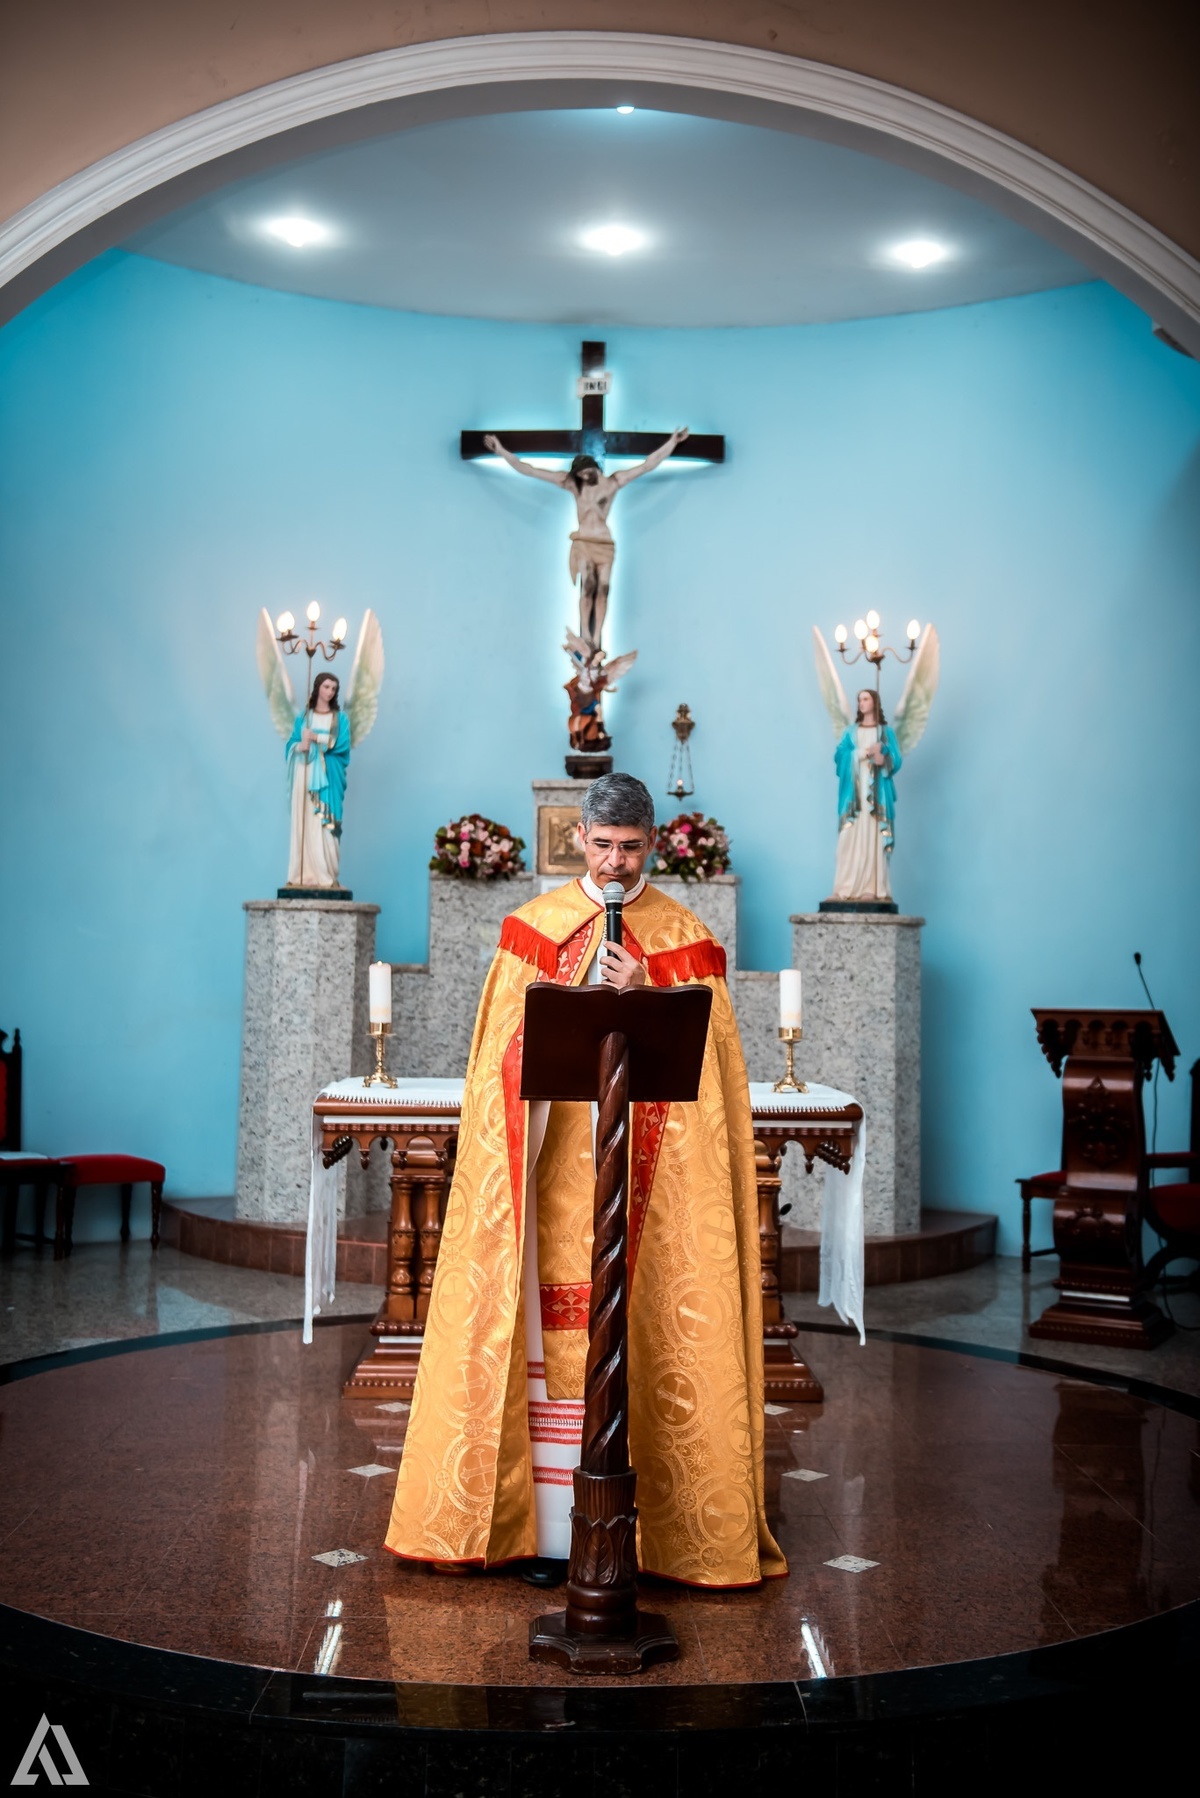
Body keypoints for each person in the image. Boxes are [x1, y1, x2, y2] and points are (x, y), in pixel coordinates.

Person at [385, 772, 785, 1589]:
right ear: (579, 840)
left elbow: (712, 1079)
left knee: (642, 1333)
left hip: (649, 1191)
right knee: (546, 1343)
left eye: (630, 848)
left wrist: (648, 995)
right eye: (601, 846)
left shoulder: (685, 938)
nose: (613, 863)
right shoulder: (531, 930)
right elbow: (495, 1065)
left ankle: (648, 1535)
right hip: (548, 1181)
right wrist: (562, 1008)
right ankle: (541, 1533)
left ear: (653, 844)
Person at [483, 429, 689, 649]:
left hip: (605, 544)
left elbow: (648, 465)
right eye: (579, 474)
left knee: (604, 590)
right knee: (588, 586)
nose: (583, 477)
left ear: (594, 467)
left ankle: (597, 636)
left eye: (586, 472)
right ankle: (585, 634)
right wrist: (501, 451)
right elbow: (529, 470)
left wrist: (672, 442)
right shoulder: (573, 485)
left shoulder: (613, 483)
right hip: (584, 542)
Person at [830, 688, 903, 903]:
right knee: (849, 838)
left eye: (866, 699)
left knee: (873, 837)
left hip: (876, 797)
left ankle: (872, 888)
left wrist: (884, 757)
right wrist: (863, 753)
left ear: (874, 702)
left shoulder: (885, 733)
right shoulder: (851, 732)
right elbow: (840, 756)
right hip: (854, 797)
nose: (861, 703)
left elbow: (896, 759)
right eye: (859, 699)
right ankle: (843, 887)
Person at [285, 672, 351, 888]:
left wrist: (316, 738)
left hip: (328, 777)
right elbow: (291, 744)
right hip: (305, 777)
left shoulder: (340, 719)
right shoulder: (304, 718)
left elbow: (342, 745)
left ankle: (326, 874)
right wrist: (300, 746)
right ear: (317, 688)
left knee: (326, 824)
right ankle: (303, 874)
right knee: (307, 820)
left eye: (333, 688)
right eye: (326, 687)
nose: (330, 692)